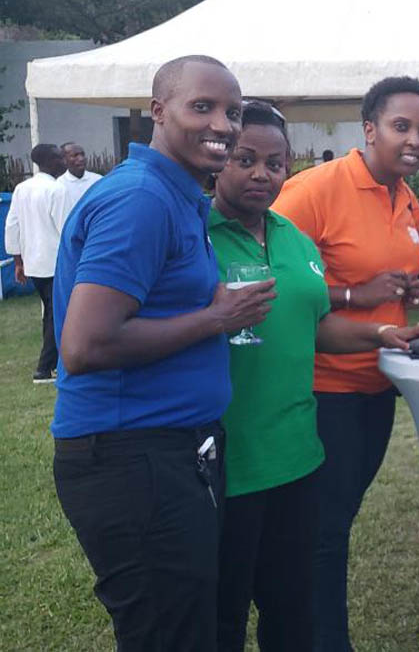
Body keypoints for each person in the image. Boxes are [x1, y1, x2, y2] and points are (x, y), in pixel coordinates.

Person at [50, 55, 275, 650]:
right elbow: (85, 345)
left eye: (232, 111)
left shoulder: (177, 196)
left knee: (188, 625)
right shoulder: (141, 199)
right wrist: (216, 319)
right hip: (132, 456)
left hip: (170, 451)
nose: (223, 125)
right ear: (158, 111)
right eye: (202, 107)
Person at [208, 100, 419, 651]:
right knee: (226, 606)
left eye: (274, 163)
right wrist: (358, 295)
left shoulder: (294, 235)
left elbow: (309, 316)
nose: (262, 174)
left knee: (301, 583)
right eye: (245, 159)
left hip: (315, 434)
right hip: (249, 438)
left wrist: (386, 332)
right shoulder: (203, 232)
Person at [271, 75, 419, 650]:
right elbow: (275, 280)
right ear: (369, 129)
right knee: (324, 530)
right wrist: (351, 296)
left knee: (337, 520)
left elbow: (387, 273)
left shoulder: (405, 196)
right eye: (401, 126)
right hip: (325, 387)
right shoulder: (313, 191)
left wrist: (410, 294)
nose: (415, 140)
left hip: (377, 383)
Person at [5, 143, 68, 383]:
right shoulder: (56, 189)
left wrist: (18, 261)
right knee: (56, 314)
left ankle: (53, 363)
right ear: (49, 161)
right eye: (59, 157)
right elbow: (66, 228)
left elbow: (12, 225)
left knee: (50, 313)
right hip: (56, 262)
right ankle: (44, 368)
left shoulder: (21, 189)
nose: (64, 161)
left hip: (34, 263)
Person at [58, 142, 103, 212]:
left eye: (82, 154)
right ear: (64, 160)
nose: (81, 159)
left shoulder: (98, 180)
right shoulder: (59, 184)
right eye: (75, 155)